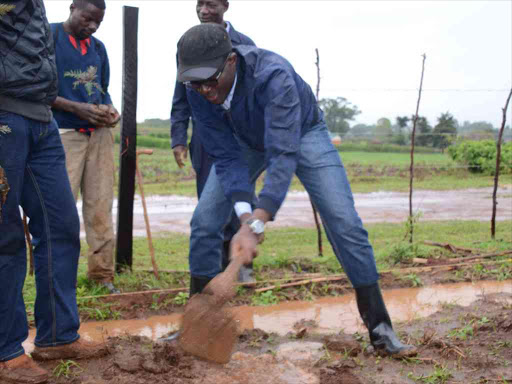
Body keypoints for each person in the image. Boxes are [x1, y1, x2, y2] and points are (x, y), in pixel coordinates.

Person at [176, 23, 418, 357]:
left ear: (231, 61)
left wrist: (260, 221)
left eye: (210, 79)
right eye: (194, 81)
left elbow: (282, 153)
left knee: (344, 222)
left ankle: (381, 329)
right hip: (244, 142)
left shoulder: (274, 76)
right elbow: (226, 157)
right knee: (204, 221)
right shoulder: (197, 88)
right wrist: (245, 216)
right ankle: (195, 328)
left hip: (302, 134)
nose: (203, 89)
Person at [0, 2, 107, 383]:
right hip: (4, 116)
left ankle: (58, 335)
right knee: (5, 236)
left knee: (61, 225)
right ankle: (5, 352)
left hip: (40, 118)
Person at [170, 0, 256, 284]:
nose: (204, 10)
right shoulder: (190, 44)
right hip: (206, 136)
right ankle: (214, 268)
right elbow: (182, 93)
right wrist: (178, 137)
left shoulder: (243, 43)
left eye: (211, 4)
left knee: (238, 196)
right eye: (200, 4)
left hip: (239, 137)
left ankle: (241, 263)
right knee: (209, 205)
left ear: (225, 6)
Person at [51, 0, 120, 293]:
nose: (91, 26)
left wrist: (110, 110)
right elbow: (36, 88)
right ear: (72, 8)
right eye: (87, 18)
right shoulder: (48, 37)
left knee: (101, 207)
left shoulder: (98, 49)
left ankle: (102, 276)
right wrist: (78, 109)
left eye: (97, 23)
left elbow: (102, 91)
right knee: (61, 210)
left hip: (99, 136)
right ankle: (58, 277)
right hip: (62, 134)